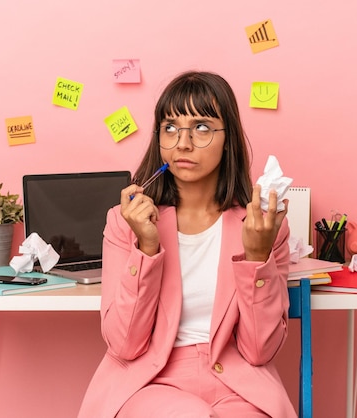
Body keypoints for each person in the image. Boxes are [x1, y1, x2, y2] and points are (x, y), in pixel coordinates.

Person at [78, 71, 296, 418]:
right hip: (150, 381)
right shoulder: (125, 222)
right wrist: (146, 250)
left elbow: (259, 351)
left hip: (238, 384)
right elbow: (124, 344)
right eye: (170, 128)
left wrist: (257, 254)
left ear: (229, 140)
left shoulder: (262, 226)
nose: (183, 143)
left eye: (202, 127)